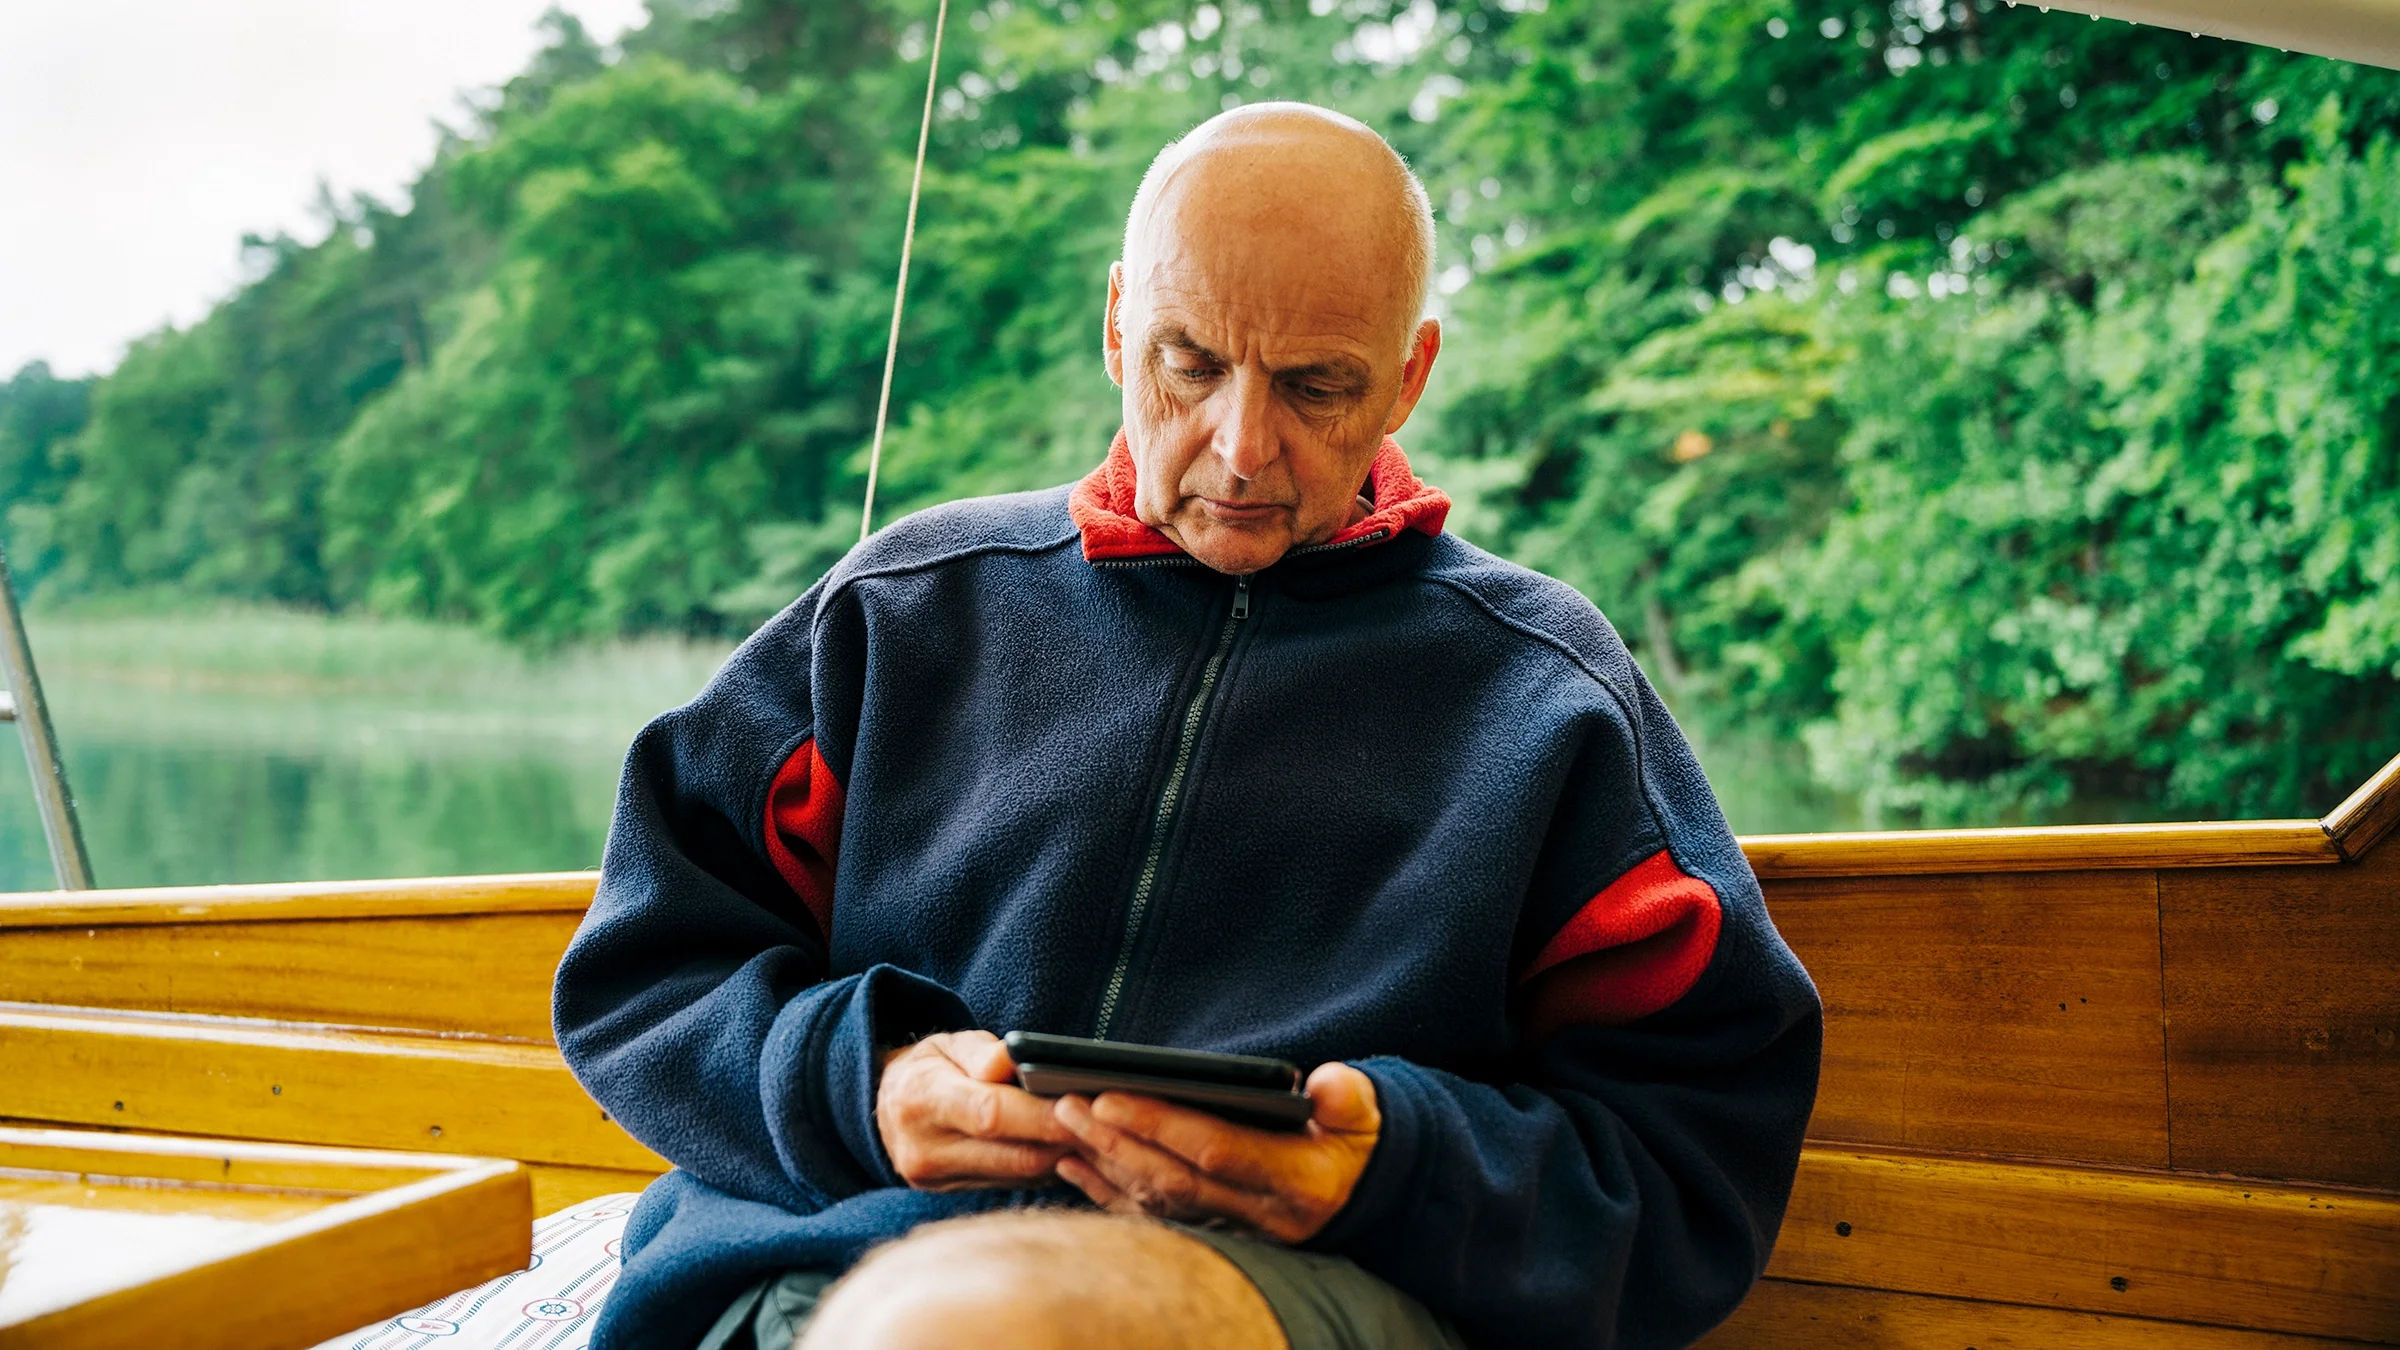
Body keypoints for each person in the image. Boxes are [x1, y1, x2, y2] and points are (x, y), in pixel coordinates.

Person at [554, 101, 1821, 1350]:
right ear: (1116, 325)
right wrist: (860, 1088)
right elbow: (648, 970)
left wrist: (1392, 1171)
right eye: (1191, 363)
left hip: (1303, 1283)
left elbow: (1690, 1151)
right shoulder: (904, 609)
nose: (1241, 445)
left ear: (1411, 376)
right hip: (819, 1244)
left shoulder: (1544, 692)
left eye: (1316, 386)